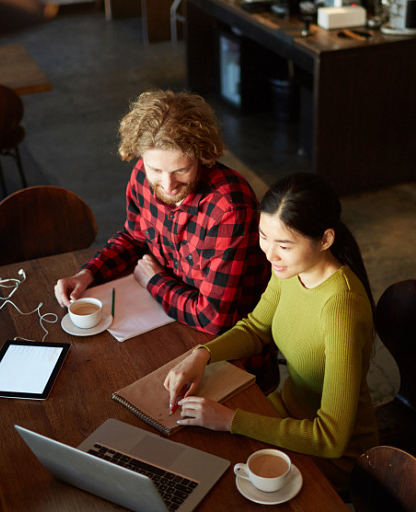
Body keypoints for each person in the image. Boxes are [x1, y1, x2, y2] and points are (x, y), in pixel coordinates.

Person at [163, 172, 379, 490]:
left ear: (326, 240)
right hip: (287, 415)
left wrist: (230, 420)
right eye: (264, 236)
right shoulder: (292, 267)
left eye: (284, 245)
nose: (269, 254)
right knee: (195, 449)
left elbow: (331, 438)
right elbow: (256, 328)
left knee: (220, 481)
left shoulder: (341, 306)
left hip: (338, 454)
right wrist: (201, 355)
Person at [53, 89, 277, 387]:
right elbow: (134, 238)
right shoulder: (141, 178)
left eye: (181, 169)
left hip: (229, 356)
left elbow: (214, 318)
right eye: (155, 169)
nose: (168, 185)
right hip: (168, 322)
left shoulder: (229, 207)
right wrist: (88, 274)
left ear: (202, 155)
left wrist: (152, 281)